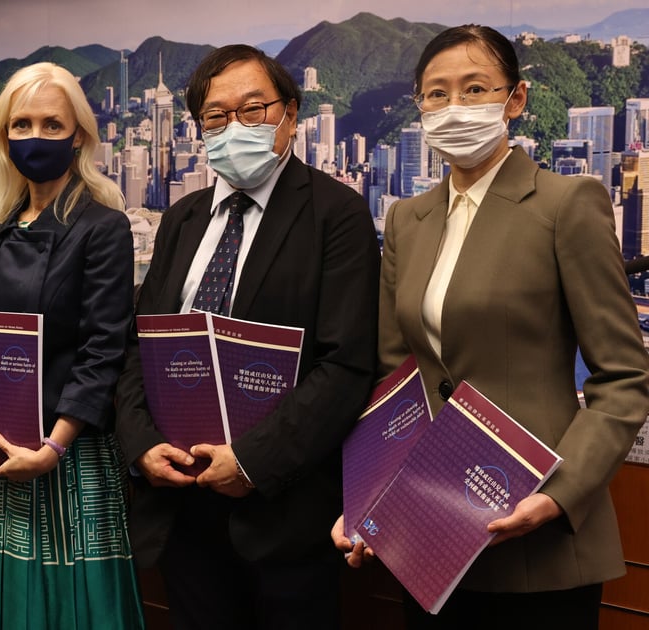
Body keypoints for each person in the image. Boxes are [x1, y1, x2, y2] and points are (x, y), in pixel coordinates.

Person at [331, 24, 649, 629]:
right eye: (437, 94)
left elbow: (624, 376)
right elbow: (396, 379)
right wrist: (368, 500)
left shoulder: (566, 205)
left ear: (516, 100)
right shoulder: (407, 218)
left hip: (537, 527)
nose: (455, 108)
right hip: (428, 535)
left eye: (475, 89)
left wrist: (556, 496)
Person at [114, 45, 380, 630]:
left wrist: (251, 463)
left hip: (282, 512)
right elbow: (141, 345)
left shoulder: (336, 214)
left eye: (253, 109)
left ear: (289, 115)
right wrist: (141, 446)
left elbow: (345, 366)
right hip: (181, 503)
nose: (235, 127)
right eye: (216, 116)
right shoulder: (181, 220)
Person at [0, 61, 144, 630]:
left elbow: (103, 351)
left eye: (52, 125)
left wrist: (52, 448)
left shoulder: (103, 227)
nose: (36, 137)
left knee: (69, 607)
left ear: (78, 134)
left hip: (65, 452)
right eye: (22, 124)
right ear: (4, 135)